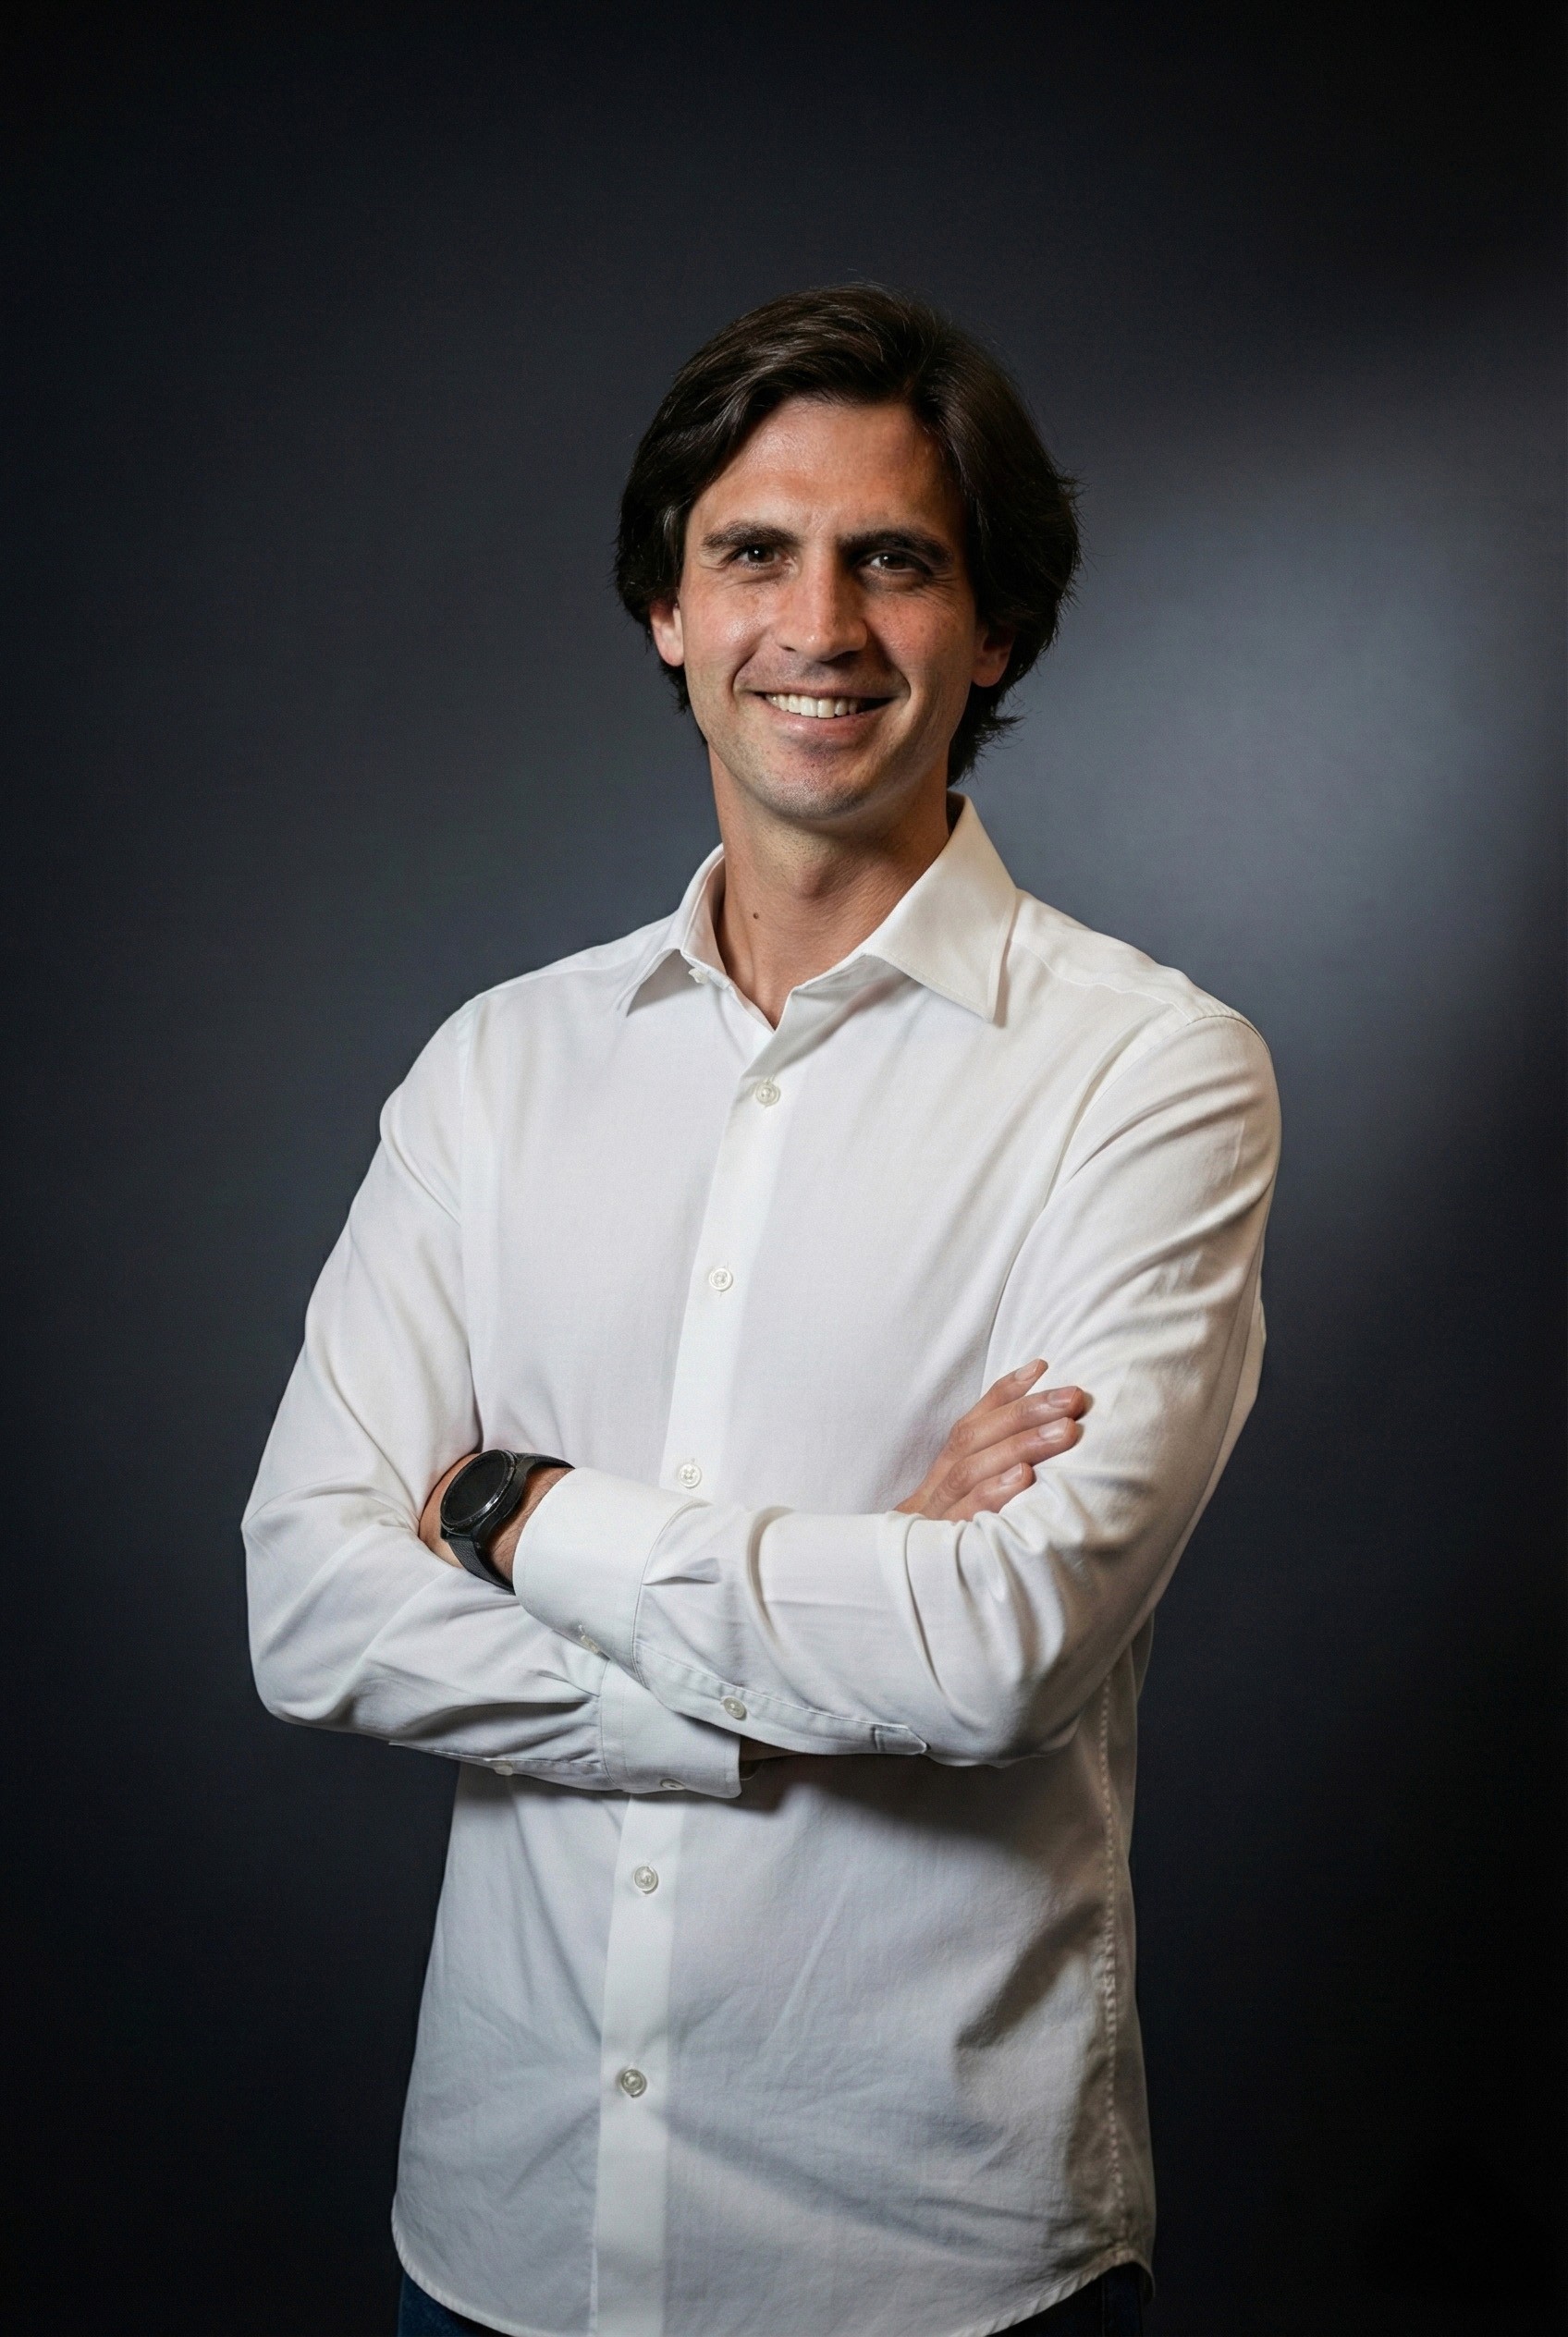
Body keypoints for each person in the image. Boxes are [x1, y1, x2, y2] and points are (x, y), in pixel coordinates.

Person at [245, 284, 1279, 2337]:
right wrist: (855, 1598)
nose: (817, 624)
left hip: (925, 2264)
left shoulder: (1148, 1073)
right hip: (505, 2239)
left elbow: (998, 1651)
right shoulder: (497, 1068)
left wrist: (524, 1517)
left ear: (994, 627)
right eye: (751, 554)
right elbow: (307, 1602)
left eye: (892, 559)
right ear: (667, 608)